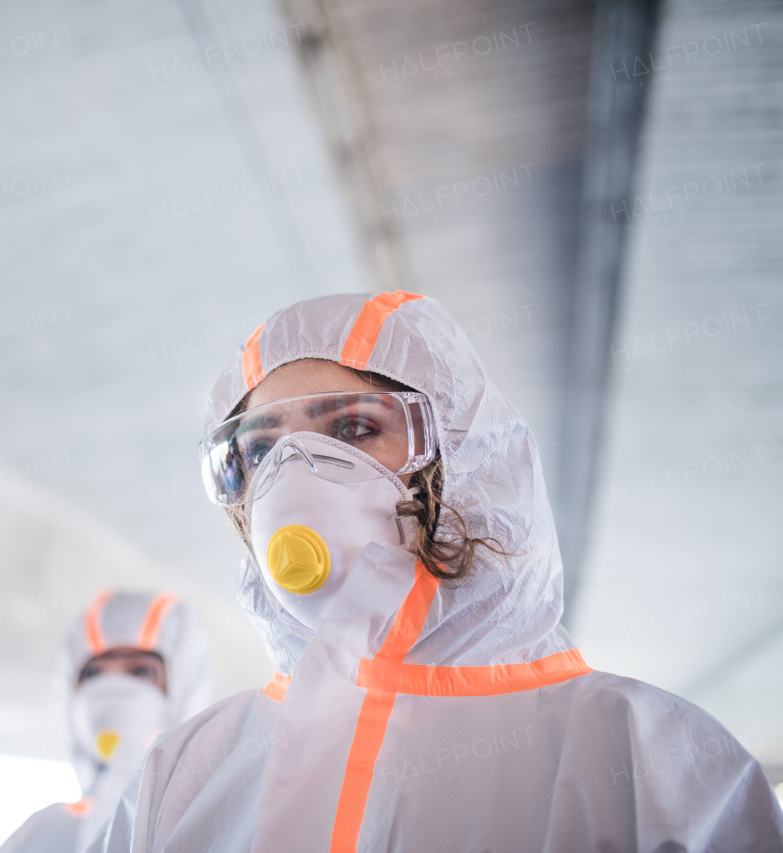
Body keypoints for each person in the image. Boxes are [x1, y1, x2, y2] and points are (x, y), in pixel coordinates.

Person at [98, 292, 783, 852]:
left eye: (354, 430)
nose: (293, 477)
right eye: (261, 448)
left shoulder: (647, 758)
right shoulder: (184, 772)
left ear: (458, 454)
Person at [0, 590, 209, 853]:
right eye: (93, 673)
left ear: (183, 690)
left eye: (141, 671)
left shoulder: (219, 826)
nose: (112, 689)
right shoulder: (42, 834)